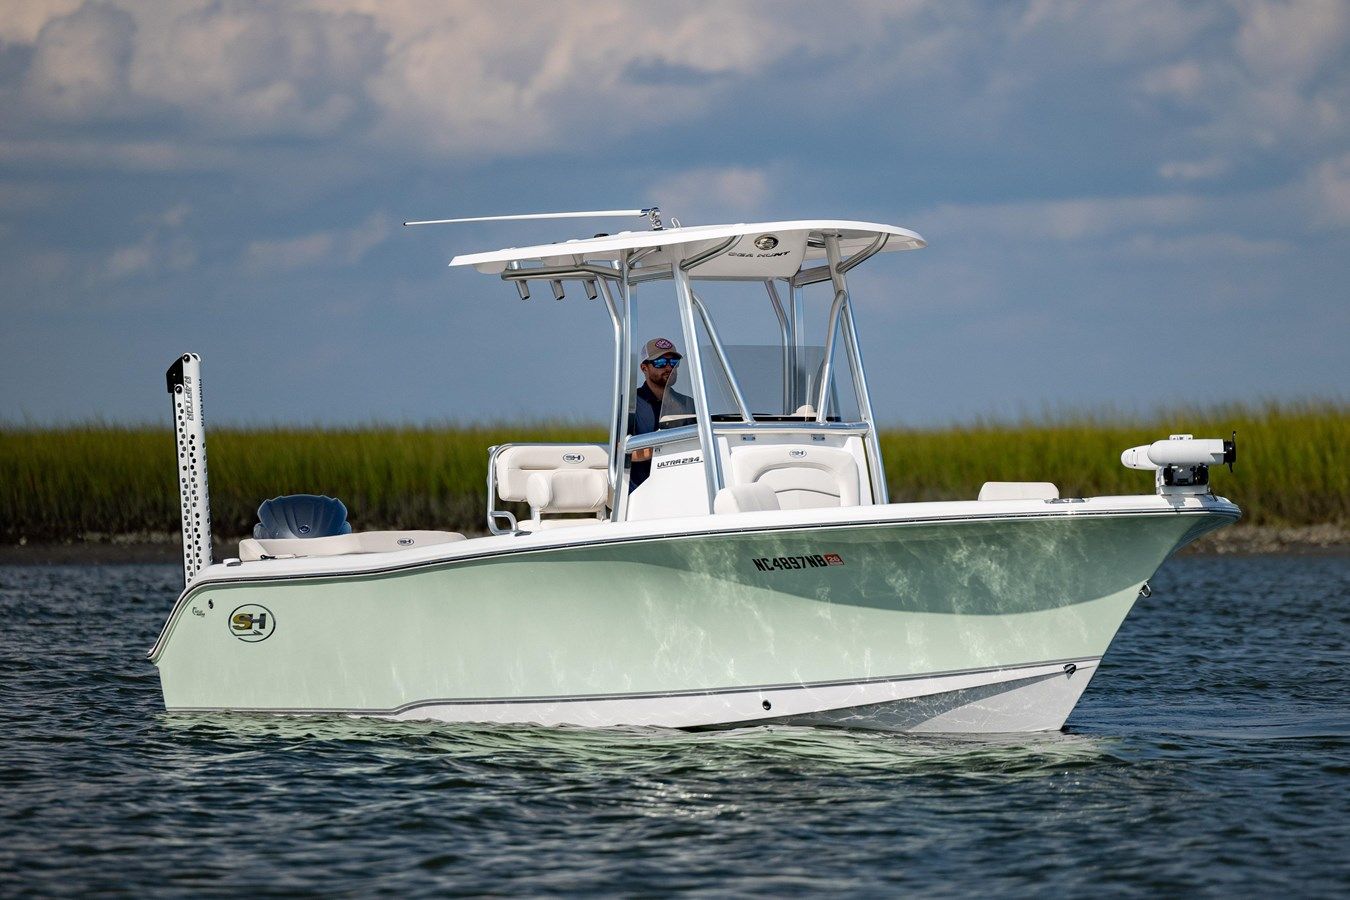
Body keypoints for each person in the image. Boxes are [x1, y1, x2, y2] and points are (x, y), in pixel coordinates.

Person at [627, 337, 695, 489]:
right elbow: (620, 452)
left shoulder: (688, 404)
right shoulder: (629, 404)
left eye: (674, 362)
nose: (669, 367)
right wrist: (666, 448)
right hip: (640, 492)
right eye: (661, 362)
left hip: (682, 487)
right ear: (644, 368)